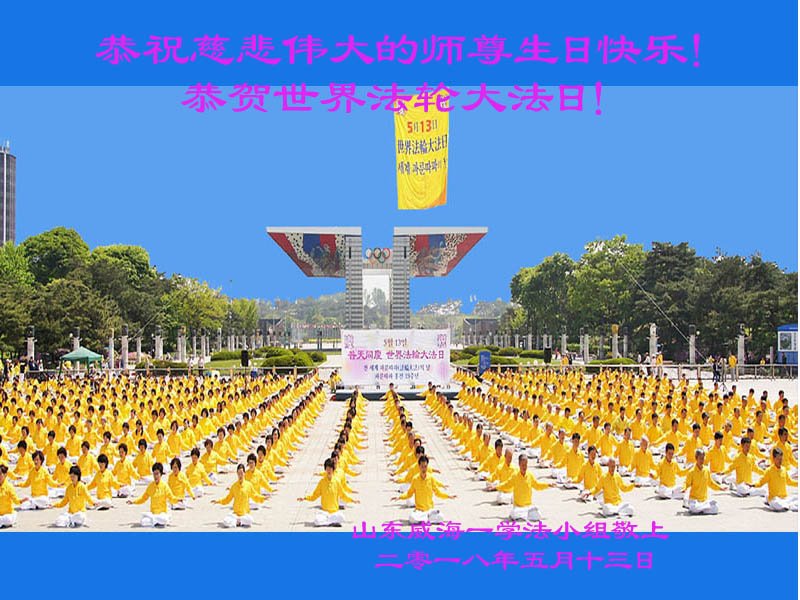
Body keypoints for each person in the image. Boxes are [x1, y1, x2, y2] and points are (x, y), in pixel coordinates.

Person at [392, 455, 454, 524]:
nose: (424, 469)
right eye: (422, 466)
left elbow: (438, 493)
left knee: (441, 517)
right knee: (412, 518)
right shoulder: (415, 479)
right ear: (419, 466)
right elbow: (409, 493)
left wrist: (448, 496)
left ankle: (425, 519)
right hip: (419, 511)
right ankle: (426, 519)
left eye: (425, 466)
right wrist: (399, 497)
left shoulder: (431, 478)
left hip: (430, 510)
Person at [298, 458, 357, 527]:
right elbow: (314, 496)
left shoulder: (337, 481)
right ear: (325, 469)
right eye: (327, 468)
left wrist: (352, 500)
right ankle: (331, 522)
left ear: (333, 469)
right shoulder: (322, 482)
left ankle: (327, 522)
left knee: (342, 517)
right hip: (324, 512)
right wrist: (305, 498)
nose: (329, 470)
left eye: (330, 468)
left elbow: (343, 495)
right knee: (317, 521)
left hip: (334, 512)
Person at [496, 454, 551, 521]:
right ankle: (522, 516)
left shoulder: (530, 475)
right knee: (515, 513)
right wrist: (496, 487)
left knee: (537, 515)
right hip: (518, 507)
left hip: (528, 507)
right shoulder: (515, 476)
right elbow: (506, 485)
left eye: (526, 465)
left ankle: (523, 517)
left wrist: (548, 485)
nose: (524, 467)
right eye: (523, 465)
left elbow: (537, 485)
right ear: (519, 464)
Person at [127, 462, 180, 528]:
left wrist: (178, 500)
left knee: (164, 519)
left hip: (162, 514)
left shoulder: (165, 486)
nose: (155, 476)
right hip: (153, 514)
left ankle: (155, 521)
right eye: (154, 474)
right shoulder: (150, 486)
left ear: (161, 474)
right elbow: (143, 498)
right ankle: (156, 521)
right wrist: (133, 502)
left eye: (157, 474)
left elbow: (171, 498)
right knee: (143, 522)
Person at [213, 463, 265, 528]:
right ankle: (238, 521)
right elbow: (227, 499)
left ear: (244, 473)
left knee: (250, 520)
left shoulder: (249, 485)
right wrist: (218, 501)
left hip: (244, 514)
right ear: (237, 473)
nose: (240, 475)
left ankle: (238, 521)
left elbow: (255, 496)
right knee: (225, 521)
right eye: (239, 473)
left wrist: (263, 498)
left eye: (241, 473)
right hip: (235, 514)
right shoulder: (234, 486)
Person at [683, 450, 724, 515]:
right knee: (694, 507)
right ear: (696, 458)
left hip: (704, 501)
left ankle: (701, 509)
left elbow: (711, 483)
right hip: (694, 500)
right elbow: (686, 483)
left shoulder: (706, 470)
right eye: (700, 458)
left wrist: (720, 488)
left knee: (715, 509)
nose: (702, 460)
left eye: (703, 458)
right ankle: (703, 509)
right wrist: (684, 488)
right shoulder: (691, 472)